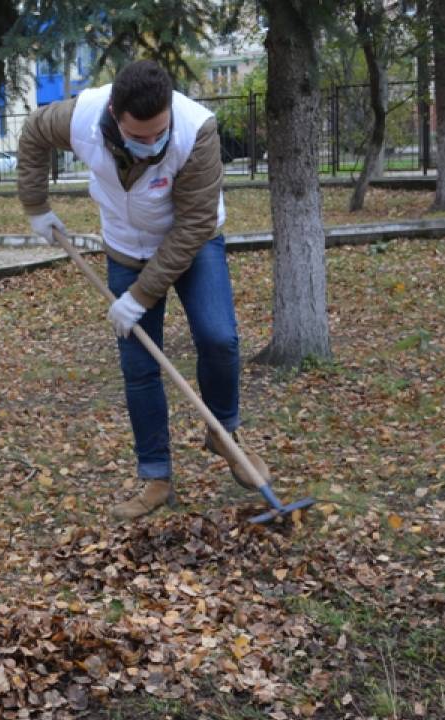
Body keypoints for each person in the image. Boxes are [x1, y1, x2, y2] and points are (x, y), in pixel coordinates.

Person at [17, 59, 271, 521]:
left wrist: (140, 297)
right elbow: (34, 131)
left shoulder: (196, 130)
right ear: (116, 114)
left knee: (219, 338)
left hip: (194, 245)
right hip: (125, 250)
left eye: (160, 133)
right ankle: (156, 478)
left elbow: (193, 224)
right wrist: (36, 206)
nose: (152, 143)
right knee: (140, 366)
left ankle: (224, 434)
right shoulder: (82, 118)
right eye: (141, 135)